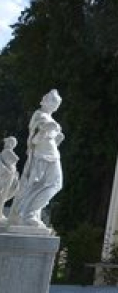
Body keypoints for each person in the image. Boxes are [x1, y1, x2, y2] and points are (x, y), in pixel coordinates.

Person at [11, 89, 63, 228]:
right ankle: (29, 214)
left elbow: (45, 136)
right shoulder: (39, 115)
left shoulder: (50, 118)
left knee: (54, 184)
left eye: (57, 102)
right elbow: (34, 138)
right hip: (42, 156)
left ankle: (31, 212)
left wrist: (57, 137)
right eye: (53, 100)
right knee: (40, 184)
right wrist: (47, 128)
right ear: (45, 101)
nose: (55, 104)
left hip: (52, 154)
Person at [0, 136, 18, 223]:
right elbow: (16, 159)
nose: (12, 145)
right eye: (11, 143)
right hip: (6, 177)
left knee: (4, 195)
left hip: (10, 176)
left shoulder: (7, 152)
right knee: (3, 195)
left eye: (13, 143)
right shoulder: (6, 151)